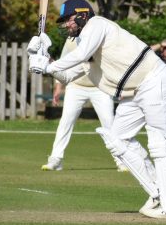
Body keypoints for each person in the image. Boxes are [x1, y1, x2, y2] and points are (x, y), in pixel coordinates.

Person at [28, 0, 166, 219]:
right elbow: (66, 76)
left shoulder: (98, 24)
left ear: (83, 14)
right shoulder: (85, 44)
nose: (66, 25)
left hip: (154, 80)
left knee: (161, 145)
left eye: (68, 20)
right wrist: (42, 59)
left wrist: (49, 64)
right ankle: (158, 194)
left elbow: (80, 56)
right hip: (134, 92)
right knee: (117, 139)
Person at [41, 38, 127, 172]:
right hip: (75, 86)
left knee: (109, 123)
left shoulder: (102, 38)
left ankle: (122, 161)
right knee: (66, 122)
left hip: (100, 87)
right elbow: (62, 62)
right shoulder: (70, 40)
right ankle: (56, 160)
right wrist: (58, 87)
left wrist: (119, 86)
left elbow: (114, 64)